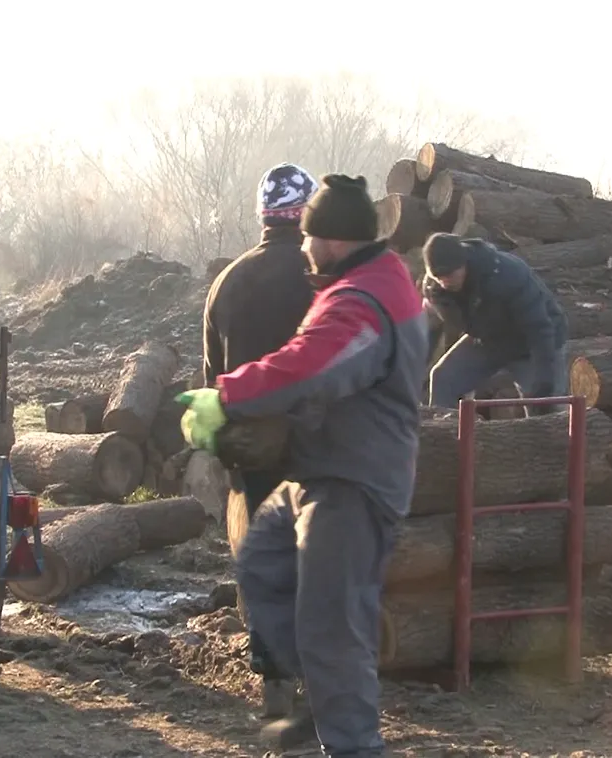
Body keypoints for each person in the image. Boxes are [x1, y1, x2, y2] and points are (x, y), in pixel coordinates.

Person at [178, 174, 428, 757]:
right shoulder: (366, 281)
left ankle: (349, 742)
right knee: (263, 562)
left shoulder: (361, 303)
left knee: (333, 630)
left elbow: (308, 364)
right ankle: (322, 703)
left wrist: (227, 396)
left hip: (353, 482)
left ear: (331, 239)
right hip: (321, 473)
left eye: (310, 235)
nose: (303, 246)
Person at [202, 162, 318, 718]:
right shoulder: (323, 275)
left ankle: (275, 682)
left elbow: (210, 377)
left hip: (251, 447)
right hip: (314, 441)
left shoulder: (228, 280)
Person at [421, 233, 568, 416]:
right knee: (443, 378)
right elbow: (430, 326)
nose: (445, 282)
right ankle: (445, 437)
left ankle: (551, 439)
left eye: (450, 274)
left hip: (532, 345)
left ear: (464, 263)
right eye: (439, 277)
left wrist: (545, 377)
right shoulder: (435, 291)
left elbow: (540, 328)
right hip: (487, 340)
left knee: (542, 405)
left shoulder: (507, 275)